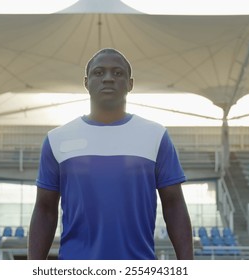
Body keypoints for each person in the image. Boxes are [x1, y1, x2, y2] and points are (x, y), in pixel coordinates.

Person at [28, 48, 193, 260]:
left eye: (117, 73)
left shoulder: (155, 135)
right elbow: (44, 209)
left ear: (130, 83)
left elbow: (174, 204)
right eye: (99, 72)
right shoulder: (57, 139)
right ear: (86, 82)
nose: (108, 78)